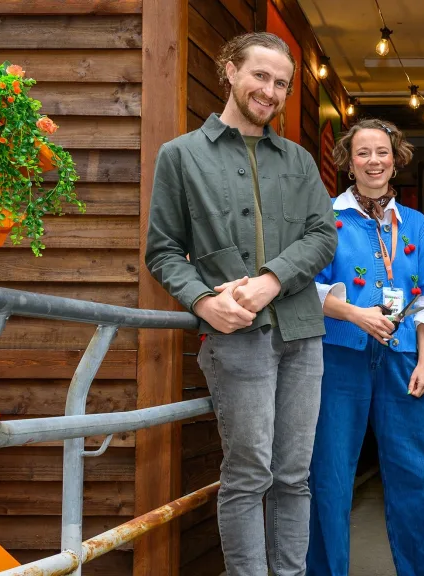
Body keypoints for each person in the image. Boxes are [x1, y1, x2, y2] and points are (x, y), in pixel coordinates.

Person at [144, 32, 337, 576]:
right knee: (249, 473)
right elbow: (162, 253)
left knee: (293, 475)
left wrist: (274, 278)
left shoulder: (299, 161)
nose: (270, 91)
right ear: (229, 70)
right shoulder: (180, 156)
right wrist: (204, 301)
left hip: (301, 334)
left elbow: (324, 235)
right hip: (234, 339)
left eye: (281, 83)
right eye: (260, 76)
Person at [307, 119, 424, 576]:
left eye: (382, 152)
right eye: (363, 153)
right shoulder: (325, 219)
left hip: (404, 358)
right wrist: (355, 314)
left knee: (422, 473)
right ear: (349, 162)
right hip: (339, 358)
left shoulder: (417, 224)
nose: (374, 161)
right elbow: (306, 288)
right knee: (329, 477)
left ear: (396, 159)